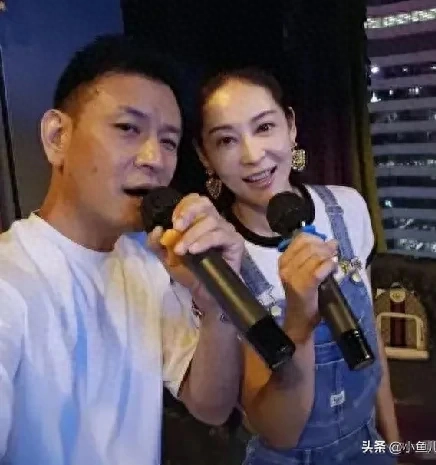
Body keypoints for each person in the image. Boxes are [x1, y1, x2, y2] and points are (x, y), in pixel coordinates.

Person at [0, 34, 246, 465]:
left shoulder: (147, 263)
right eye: (128, 129)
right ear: (57, 136)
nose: (154, 158)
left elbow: (210, 405)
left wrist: (216, 306)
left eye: (168, 141)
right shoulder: (10, 281)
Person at [192, 67, 400, 464]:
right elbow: (275, 428)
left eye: (264, 127)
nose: (253, 155)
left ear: (291, 126)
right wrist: (298, 325)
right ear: (205, 156)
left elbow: (371, 336)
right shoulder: (217, 259)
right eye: (226, 140)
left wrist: (392, 443)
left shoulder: (348, 207)